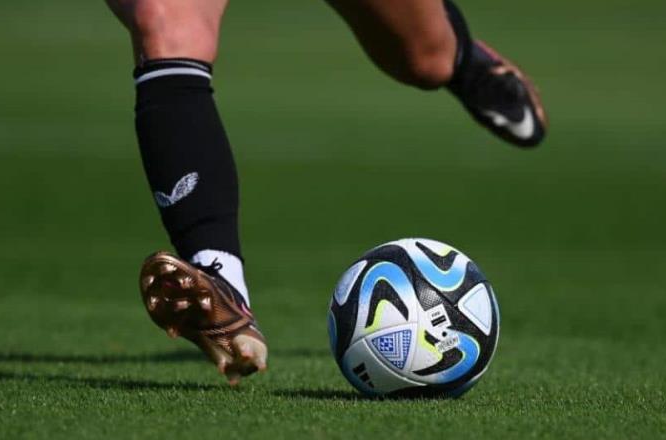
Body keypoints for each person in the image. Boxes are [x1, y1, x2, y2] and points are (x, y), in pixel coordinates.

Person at [105, 0, 548, 385]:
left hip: (432, 54)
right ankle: (220, 278)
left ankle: (462, 59)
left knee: (425, 56)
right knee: (161, 18)